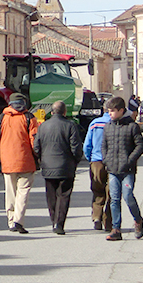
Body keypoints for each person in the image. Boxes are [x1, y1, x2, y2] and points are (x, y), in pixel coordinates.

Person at [32, 101, 83, 235]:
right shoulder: (70, 126)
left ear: (52, 112)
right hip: (66, 166)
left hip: (48, 166)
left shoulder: (43, 126)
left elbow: (36, 146)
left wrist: (42, 159)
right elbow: (76, 148)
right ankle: (59, 223)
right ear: (64, 112)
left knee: (51, 196)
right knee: (64, 195)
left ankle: (53, 220)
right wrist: (75, 160)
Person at [100, 96, 143, 241]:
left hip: (127, 170)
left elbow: (140, 145)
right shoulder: (108, 126)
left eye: (113, 111)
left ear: (121, 110)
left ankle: (138, 220)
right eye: (108, 111)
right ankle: (116, 228)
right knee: (114, 199)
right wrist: (106, 159)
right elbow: (104, 145)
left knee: (127, 195)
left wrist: (130, 160)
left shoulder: (132, 126)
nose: (110, 114)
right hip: (112, 169)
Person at [0, 92, 38, 234]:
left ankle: (11, 222)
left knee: (10, 192)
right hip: (26, 161)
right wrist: (37, 156)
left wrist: (1, 155)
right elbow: (34, 140)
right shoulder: (29, 118)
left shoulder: (1, 118)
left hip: (7, 162)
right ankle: (19, 220)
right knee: (23, 192)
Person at [82, 108, 112, 231]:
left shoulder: (95, 123)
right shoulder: (115, 123)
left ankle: (97, 218)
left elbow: (87, 145)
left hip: (96, 160)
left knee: (97, 189)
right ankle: (108, 220)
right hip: (112, 161)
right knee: (111, 192)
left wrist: (90, 158)